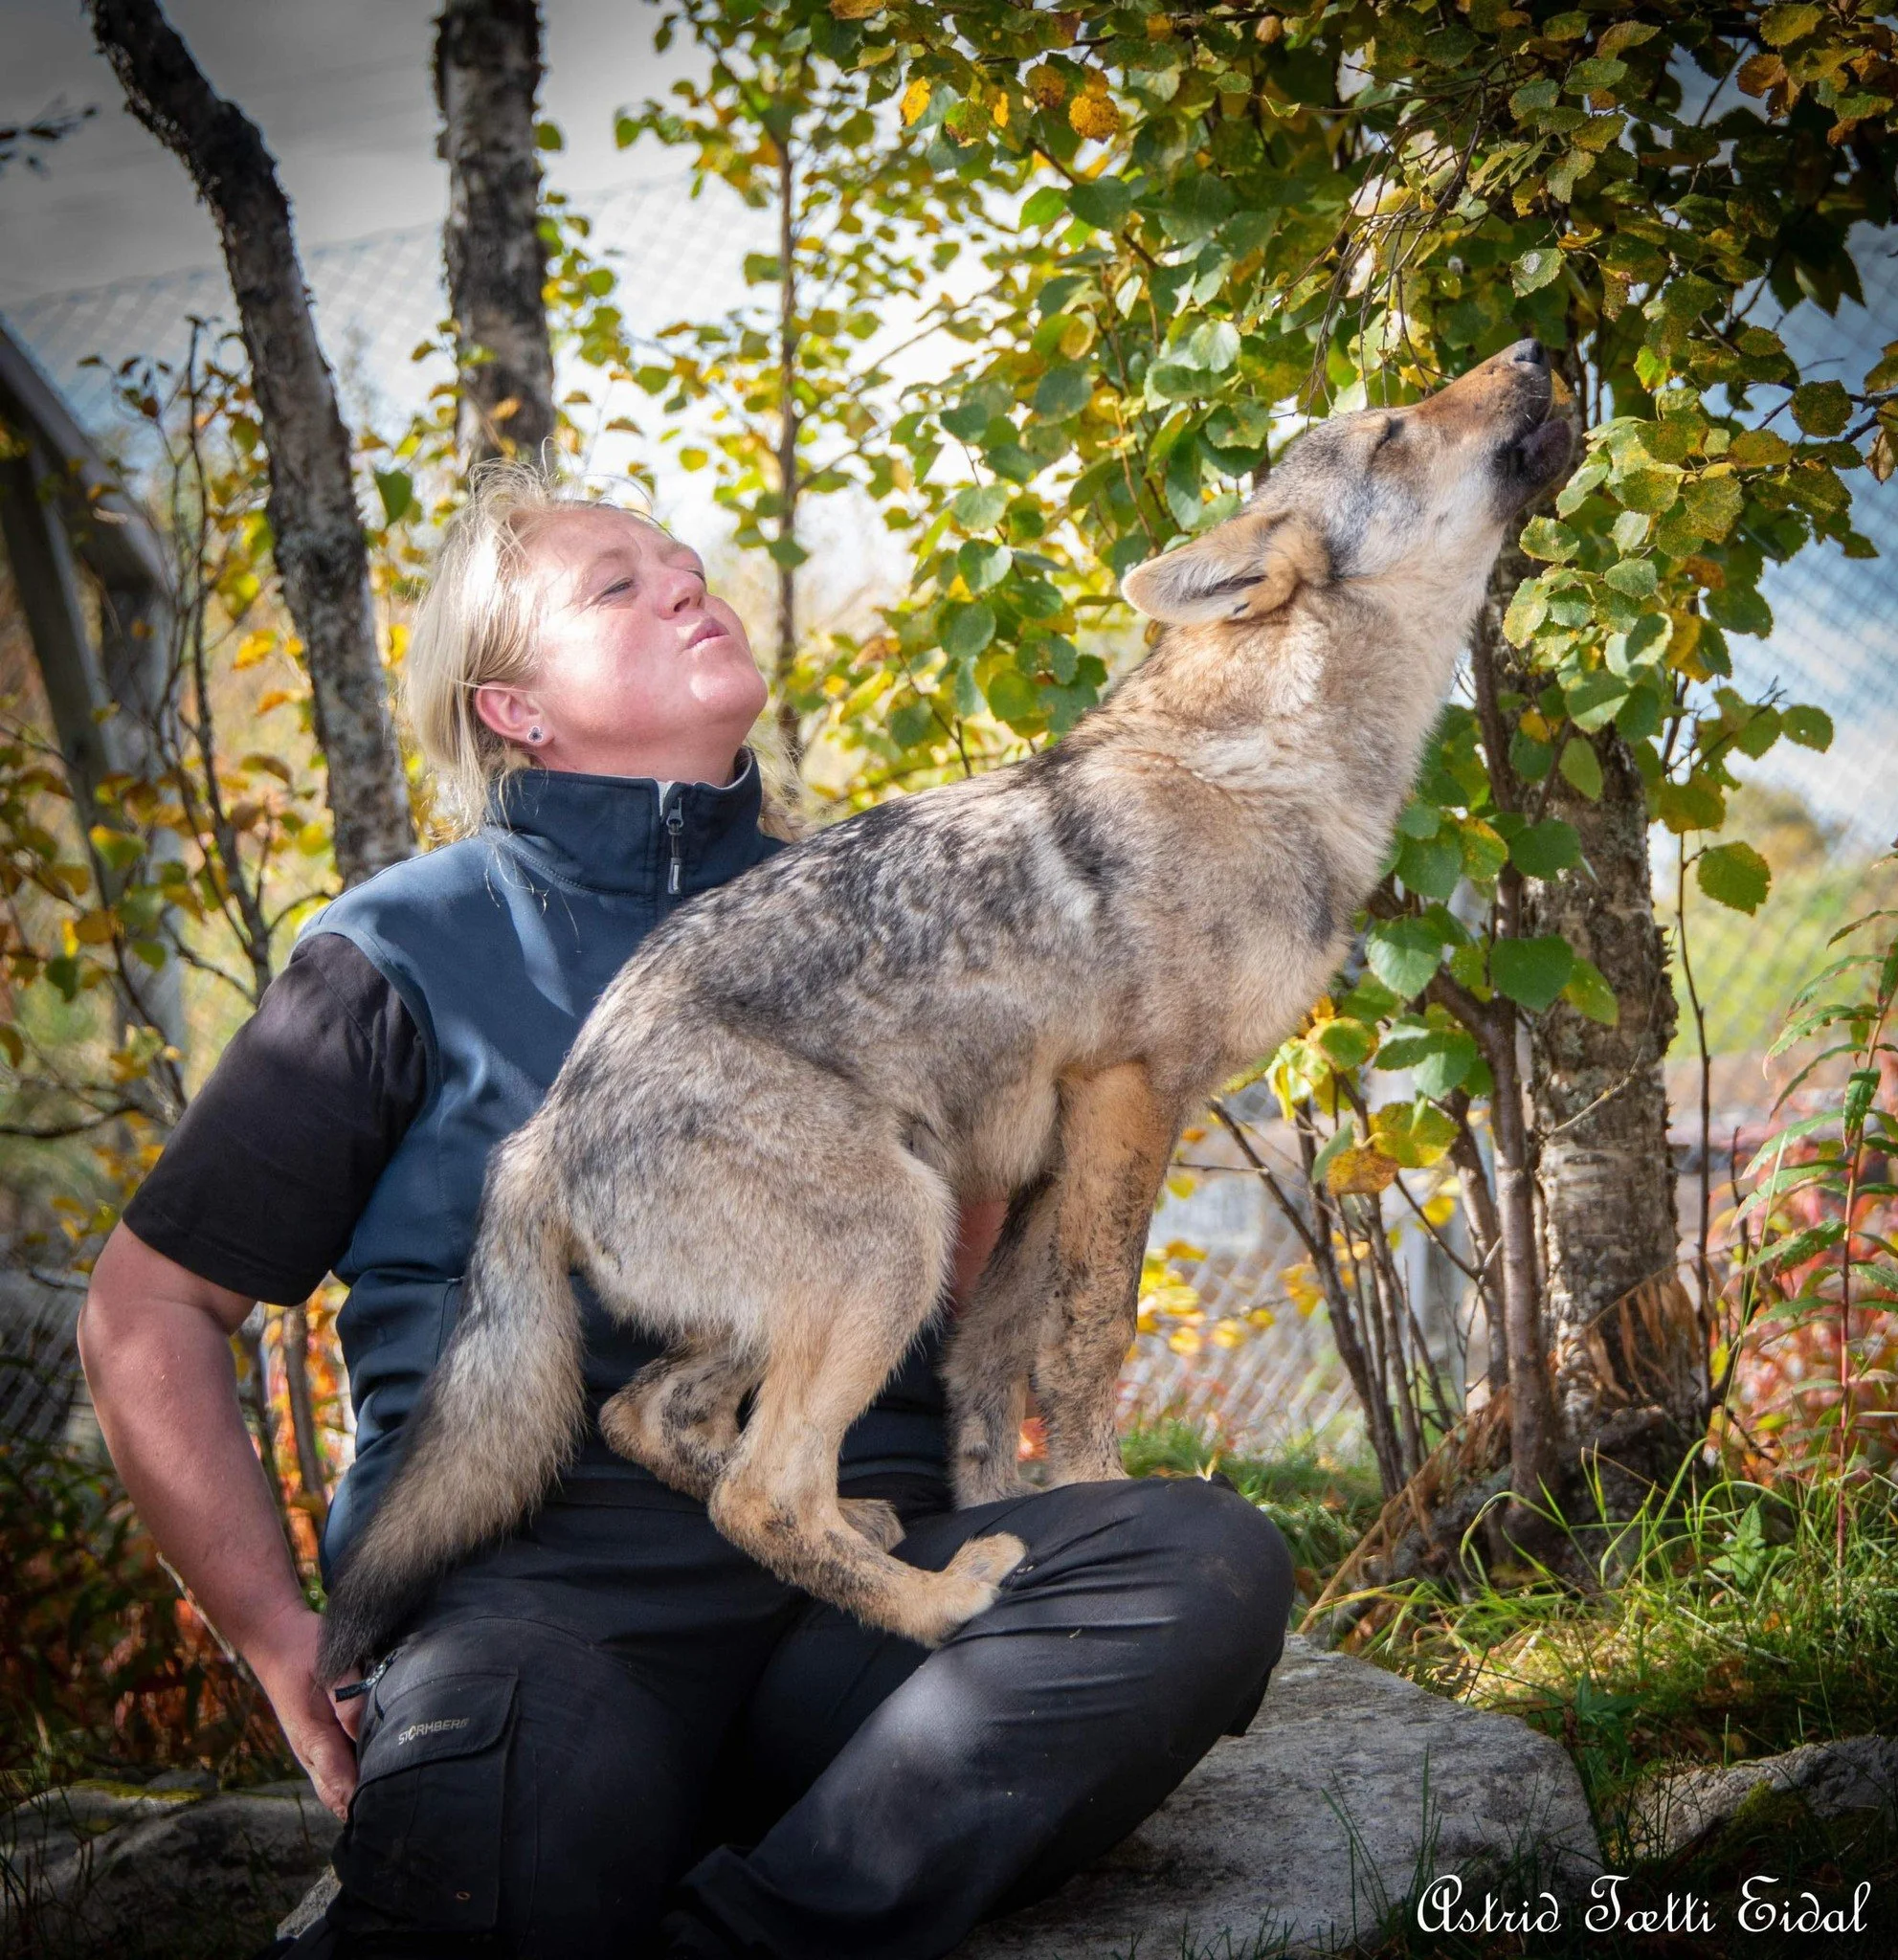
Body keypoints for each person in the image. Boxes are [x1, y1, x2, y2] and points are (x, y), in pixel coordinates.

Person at [78, 465, 1297, 1960]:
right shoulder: (396, 950)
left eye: (681, 561)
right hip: (550, 1614)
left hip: (871, 1592)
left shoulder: (889, 888)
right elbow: (147, 1312)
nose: (682, 581)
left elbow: (970, 1213)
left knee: (1204, 1566)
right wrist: (276, 1642)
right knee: (498, 1882)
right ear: (512, 709)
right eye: (614, 585)